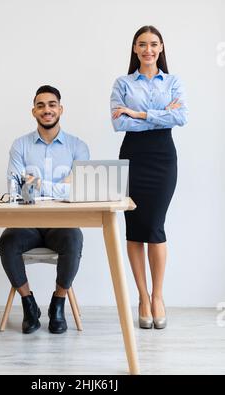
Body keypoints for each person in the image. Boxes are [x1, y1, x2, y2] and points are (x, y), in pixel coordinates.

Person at [110, 26, 188, 329]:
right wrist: (160, 113)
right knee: (134, 227)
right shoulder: (123, 83)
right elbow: (119, 123)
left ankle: (158, 296)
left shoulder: (173, 81)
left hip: (163, 157)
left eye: (153, 44)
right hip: (133, 157)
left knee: (155, 226)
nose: (148, 49)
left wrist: (140, 114)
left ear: (161, 47)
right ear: (134, 49)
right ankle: (142, 297)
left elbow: (181, 117)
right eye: (142, 44)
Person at [0, 85, 90, 334]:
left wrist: (40, 185)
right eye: (41, 105)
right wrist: (61, 187)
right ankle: (29, 304)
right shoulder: (20, 145)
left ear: (60, 109)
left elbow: (79, 191)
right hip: (27, 222)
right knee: (7, 242)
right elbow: (15, 187)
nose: (46, 110)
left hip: (62, 224)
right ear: (33, 111)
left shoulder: (78, 147)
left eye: (51, 105)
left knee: (74, 239)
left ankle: (58, 303)